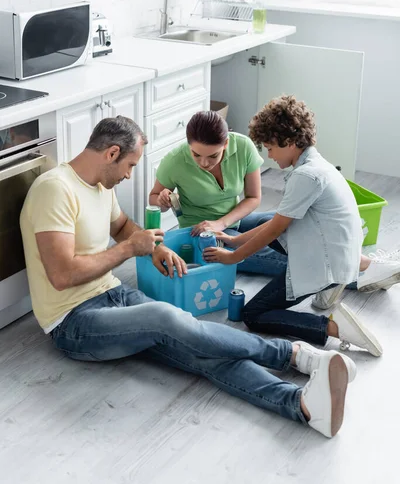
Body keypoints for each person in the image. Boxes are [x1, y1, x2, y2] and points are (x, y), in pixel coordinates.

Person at [20, 115, 357, 439]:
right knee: (166, 316)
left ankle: (302, 406)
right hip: (73, 321)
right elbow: (61, 275)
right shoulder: (55, 190)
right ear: (111, 154)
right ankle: (292, 355)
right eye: (131, 165)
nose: (129, 175)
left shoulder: (99, 185)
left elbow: (122, 227)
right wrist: (127, 250)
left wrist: (154, 247)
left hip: (112, 293)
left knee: (200, 345)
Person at [203, 95, 400, 357]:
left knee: (253, 314)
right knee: (266, 220)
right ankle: (332, 286)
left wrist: (234, 257)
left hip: (326, 263)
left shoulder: (306, 176)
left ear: (292, 142)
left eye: (271, 147)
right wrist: (233, 240)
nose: (269, 155)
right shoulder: (315, 163)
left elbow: (276, 230)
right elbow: (274, 224)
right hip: (336, 249)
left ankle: (334, 326)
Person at [149, 110, 287, 277]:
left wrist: (221, 223)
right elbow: (153, 198)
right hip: (202, 234)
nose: (204, 163)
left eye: (213, 156)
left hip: (234, 219)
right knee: (278, 257)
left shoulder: (243, 147)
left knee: (286, 219)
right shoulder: (174, 161)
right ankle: (319, 268)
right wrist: (162, 200)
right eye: (196, 155)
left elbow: (253, 197)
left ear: (226, 143)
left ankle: (315, 255)